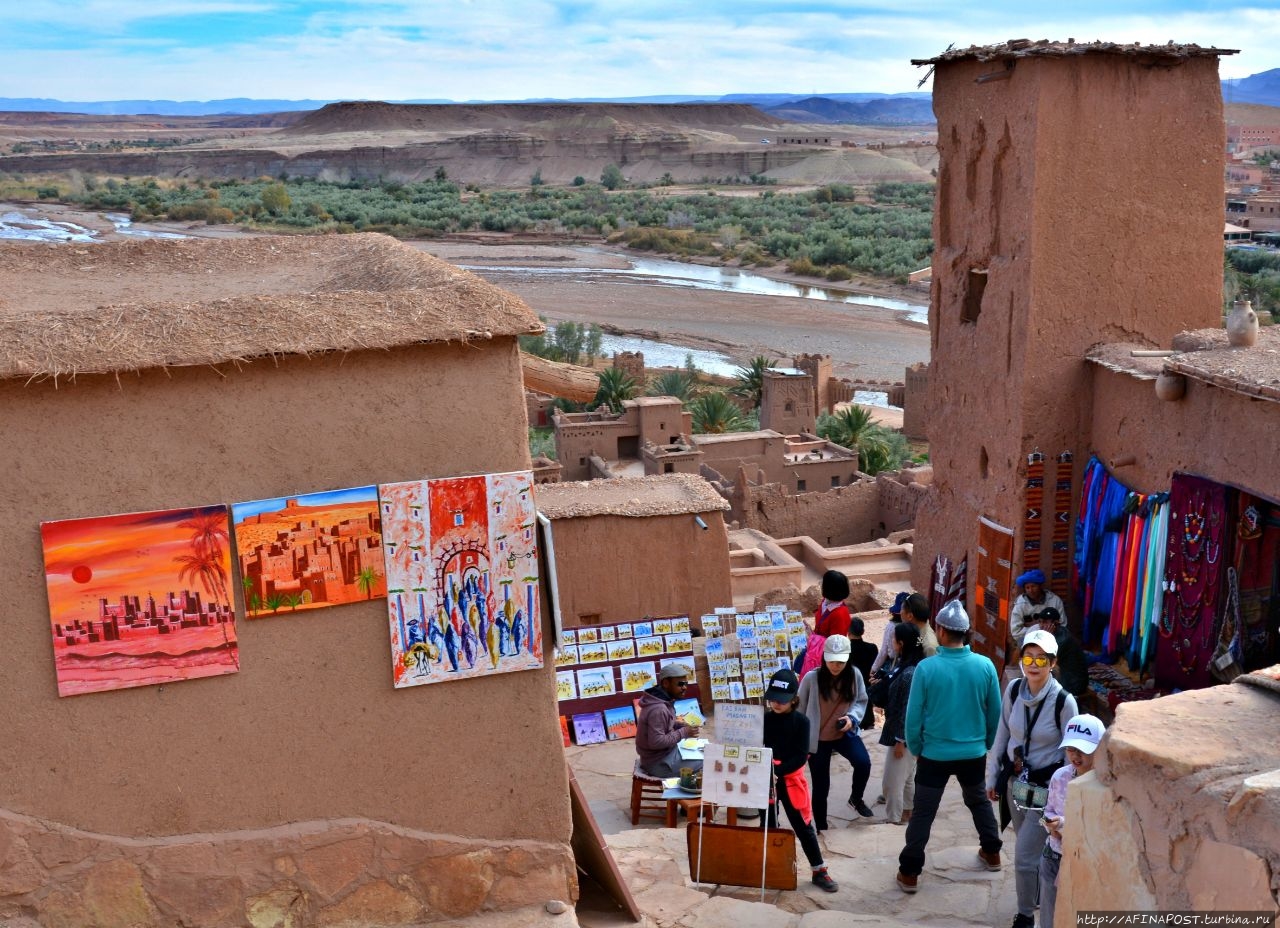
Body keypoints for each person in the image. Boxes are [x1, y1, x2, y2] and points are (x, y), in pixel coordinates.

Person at [895, 600, 1003, 895]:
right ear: (965, 632)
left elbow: (914, 716)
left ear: (941, 631)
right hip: (973, 753)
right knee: (978, 801)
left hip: (934, 755)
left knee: (923, 813)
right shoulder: (985, 666)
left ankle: (910, 872)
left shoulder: (927, 668)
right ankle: (992, 851)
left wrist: (917, 747)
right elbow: (995, 711)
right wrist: (986, 743)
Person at [986, 629, 1078, 928]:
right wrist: (991, 776)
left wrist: (1061, 801)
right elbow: (1002, 733)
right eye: (1028, 657)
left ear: (1053, 663)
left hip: (1044, 790)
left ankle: (1025, 915)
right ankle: (1035, 893)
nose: (1034, 664)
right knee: (1027, 841)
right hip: (1016, 783)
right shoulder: (1013, 689)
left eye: (1041, 659)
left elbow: (1069, 753)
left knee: (1024, 856)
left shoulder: (1064, 702)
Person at [762, 668, 839, 893]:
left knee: (803, 826)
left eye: (782, 700)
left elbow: (800, 756)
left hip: (789, 778)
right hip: (766, 780)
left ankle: (819, 870)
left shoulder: (802, 722)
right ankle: (769, 867)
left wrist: (778, 772)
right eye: (773, 699)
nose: (776, 703)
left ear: (794, 699)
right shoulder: (765, 719)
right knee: (767, 824)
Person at [797, 634, 872, 830]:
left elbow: (861, 701)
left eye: (840, 662)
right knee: (821, 786)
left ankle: (856, 798)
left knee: (863, 763)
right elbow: (799, 708)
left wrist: (852, 718)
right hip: (818, 739)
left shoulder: (854, 675)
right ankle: (821, 826)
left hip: (843, 733)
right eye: (832, 661)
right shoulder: (811, 678)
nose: (836, 666)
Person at [1040, 714, 1106, 928]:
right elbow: (1048, 808)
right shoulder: (1060, 776)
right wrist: (1050, 825)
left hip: (1086, 862)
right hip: (1054, 856)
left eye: (1083, 750)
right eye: (1071, 749)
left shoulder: (1106, 786)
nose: (1075, 756)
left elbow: (1097, 825)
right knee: (1049, 916)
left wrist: (1062, 824)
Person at [878, 622, 926, 825]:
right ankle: (908, 812)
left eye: (893, 639)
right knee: (907, 778)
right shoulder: (909, 667)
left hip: (903, 737)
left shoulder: (909, 673)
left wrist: (900, 740)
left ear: (901, 643)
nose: (891, 642)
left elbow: (908, 710)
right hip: (909, 736)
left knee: (892, 782)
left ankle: (895, 818)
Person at [636, 663, 702, 777]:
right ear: (666, 683)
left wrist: (677, 725)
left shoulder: (661, 701)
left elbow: (661, 725)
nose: (684, 687)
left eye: (686, 684)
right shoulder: (658, 709)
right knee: (709, 762)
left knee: (702, 751)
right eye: (680, 684)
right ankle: (691, 792)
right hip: (658, 764)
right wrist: (684, 732)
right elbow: (656, 742)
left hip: (663, 755)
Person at [1035, 606, 1087, 698]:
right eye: (1040, 622)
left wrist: (1047, 637)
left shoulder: (1062, 640)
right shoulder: (1059, 633)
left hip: (1074, 683)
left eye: (1046, 622)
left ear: (1056, 624)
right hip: (1066, 677)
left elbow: (1043, 659)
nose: (1042, 625)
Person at [1009, 569, 1066, 651]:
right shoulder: (1020, 604)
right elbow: (1016, 632)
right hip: (1028, 638)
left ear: (1040, 586)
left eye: (1033, 586)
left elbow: (1063, 624)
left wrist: (1050, 631)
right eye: (1027, 587)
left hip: (1054, 636)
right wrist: (1039, 630)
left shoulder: (1055, 600)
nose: (1030, 590)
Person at [848, 617, 879, 730]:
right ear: (863, 631)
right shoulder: (872, 648)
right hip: (868, 688)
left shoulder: (846, 650)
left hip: (850, 690)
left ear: (848, 632)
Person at [870, 591, 911, 677]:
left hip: (894, 664)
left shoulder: (892, 627)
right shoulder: (914, 628)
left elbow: (884, 650)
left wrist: (874, 669)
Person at [904, 592, 939, 657]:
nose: (900, 613)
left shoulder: (929, 646)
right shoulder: (914, 632)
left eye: (901, 609)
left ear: (910, 616)